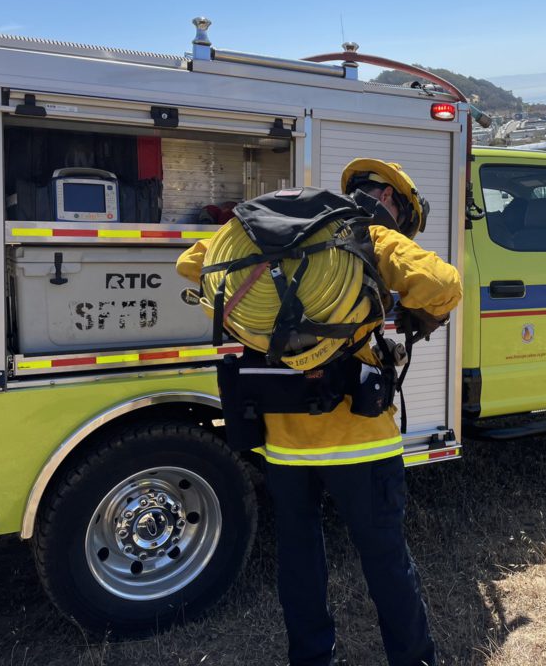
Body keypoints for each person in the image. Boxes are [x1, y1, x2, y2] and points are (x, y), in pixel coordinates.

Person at [176, 159, 462, 666]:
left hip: (285, 440)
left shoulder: (267, 233)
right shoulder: (367, 235)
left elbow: (191, 264)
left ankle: (311, 659)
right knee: (385, 556)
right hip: (361, 438)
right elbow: (444, 285)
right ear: (390, 199)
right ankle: (413, 659)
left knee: (299, 555)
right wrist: (413, 312)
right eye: (402, 214)